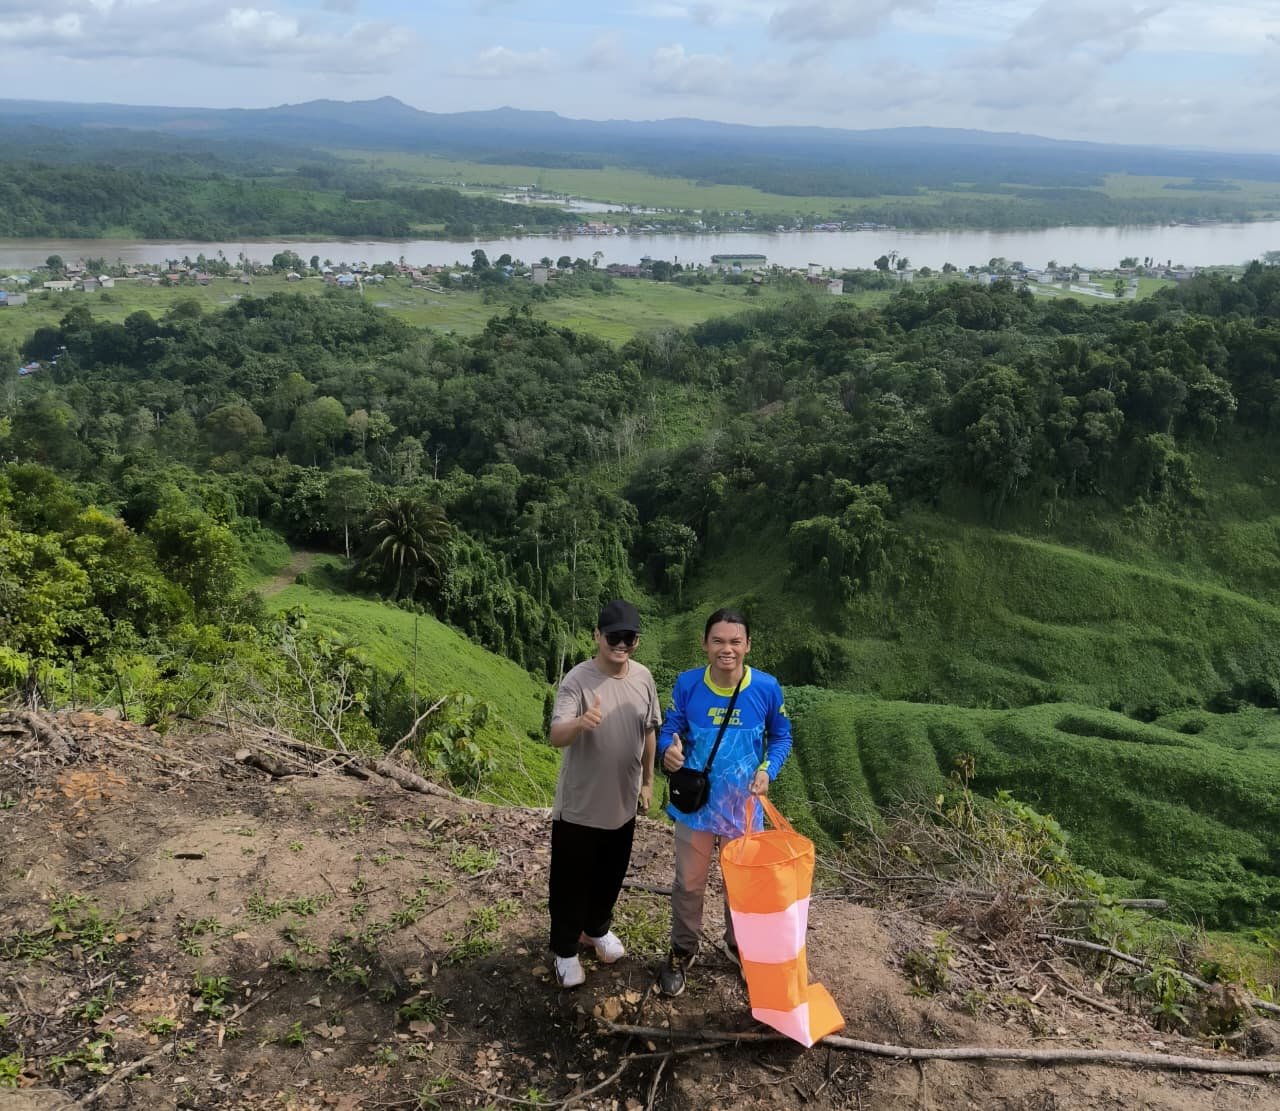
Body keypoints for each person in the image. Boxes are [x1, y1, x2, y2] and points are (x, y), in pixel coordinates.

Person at [655, 607, 793, 997]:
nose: (726, 649)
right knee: (688, 885)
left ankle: (742, 949)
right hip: (694, 809)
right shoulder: (688, 685)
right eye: (718, 640)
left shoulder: (766, 688)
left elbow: (781, 736)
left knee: (744, 888)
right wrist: (668, 750)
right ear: (704, 644)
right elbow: (670, 729)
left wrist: (769, 770)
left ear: (748, 645)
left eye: (735, 641)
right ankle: (682, 950)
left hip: (744, 812)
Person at [547, 599, 660, 989]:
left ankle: (595, 929)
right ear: (597, 636)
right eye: (613, 636)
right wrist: (581, 722)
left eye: (628, 638)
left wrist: (648, 781)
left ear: (637, 641)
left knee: (611, 875)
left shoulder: (643, 678)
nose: (621, 644)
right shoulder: (578, 680)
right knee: (569, 880)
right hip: (579, 807)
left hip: (623, 804)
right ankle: (564, 949)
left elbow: (649, 730)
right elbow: (555, 734)